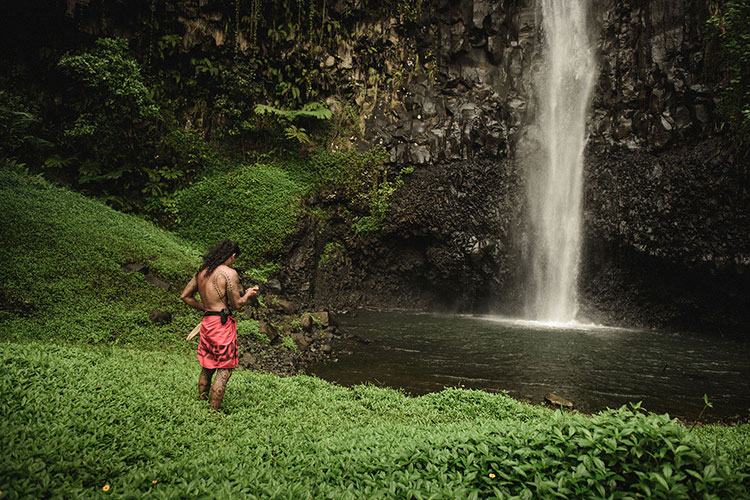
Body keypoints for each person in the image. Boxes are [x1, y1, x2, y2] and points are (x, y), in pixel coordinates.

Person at [180, 240, 258, 410]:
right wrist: (248, 294)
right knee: (225, 368)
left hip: (207, 323)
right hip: (222, 326)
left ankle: (201, 402)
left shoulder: (202, 272)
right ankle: (213, 412)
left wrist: (206, 309)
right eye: (235, 259)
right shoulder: (229, 274)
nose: (234, 262)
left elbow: (185, 296)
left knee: (208, 365)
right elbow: (236, 304)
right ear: (232, 256)